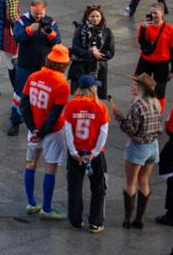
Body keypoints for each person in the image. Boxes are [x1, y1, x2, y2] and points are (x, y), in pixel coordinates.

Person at [19, 44, 72, 219]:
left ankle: (31, 203)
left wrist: (32, 128)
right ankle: (47, 208)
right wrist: (42, 131)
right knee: (51, 167)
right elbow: (55, 114)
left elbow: (24, 104)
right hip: (53, 132)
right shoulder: (62, 84)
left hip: (33, 129)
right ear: (64, 64)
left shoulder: (33, 77)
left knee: (31, 164)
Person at [114, 72, 163, 229]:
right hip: (153, 147)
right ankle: (139, 219)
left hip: (138, 148)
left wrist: (119, 118)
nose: (132, 86)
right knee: (144, 181)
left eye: (135, 84)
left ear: (141, 88)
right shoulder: (156, 102)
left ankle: (128, 219)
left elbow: (131, 130)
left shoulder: (136, 105)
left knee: (130, 183)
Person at [63, 74, 110, 233]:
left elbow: (68, 131)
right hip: (94, 154)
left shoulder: (71, 105)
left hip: (76, 153)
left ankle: (75, 220)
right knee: (98, 188)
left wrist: (73, 151)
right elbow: (103, 133)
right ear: (92, 89)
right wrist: (95, 152)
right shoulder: (100, 107)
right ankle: (95, 222)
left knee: (74, 186)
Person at [10, 0, 60, 134]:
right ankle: (15, 121)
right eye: (36, 13)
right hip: (25, 64)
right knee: (19, 94)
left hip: (45, 66)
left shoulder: (51, 21)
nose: (38, 16)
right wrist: (29, 30)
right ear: (31, 9)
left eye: (41, 13)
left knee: (46, 95)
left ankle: (44, 122)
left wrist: (50, 34)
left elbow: (57, 41)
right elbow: (16, 37)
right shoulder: (22, 21)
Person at [67, 5, 114, 97]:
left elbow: (110, 51)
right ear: (87, 17)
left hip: (98, 68)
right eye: (92, 16)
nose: (95, 19)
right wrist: (92, 53)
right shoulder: (80, 30)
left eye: (97, 16)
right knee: (80, 95)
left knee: (95, 96)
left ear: (101, 17)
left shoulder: (107, 31)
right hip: (81, 67)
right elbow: (75, 49)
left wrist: (99, 54)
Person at [135, 2, 173, 100]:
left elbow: (172, 50)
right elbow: (142, 43)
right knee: (141, 89)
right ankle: (142, 110)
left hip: (162, 63)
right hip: (145, 61)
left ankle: (158, 112)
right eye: (151, 13)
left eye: (155, 13)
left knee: (159, 93)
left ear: (162, 13)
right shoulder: (144, 26)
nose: (153, 15)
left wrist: (172, 69)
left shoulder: (170, 29)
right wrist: (143, 29)